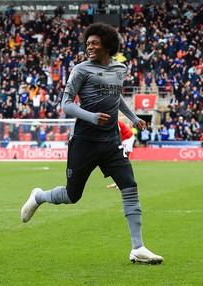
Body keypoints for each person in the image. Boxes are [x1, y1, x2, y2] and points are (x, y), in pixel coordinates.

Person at [20, 23, 163, 264]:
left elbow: (115, 97)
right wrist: (91, 116)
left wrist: (134, 118)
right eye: (88, 43)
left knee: (129, 186)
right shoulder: (81, 70)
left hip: (110, 141)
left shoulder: (120, 68)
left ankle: (138, 248)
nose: (90, 47)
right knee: (72, 195)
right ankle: (39, 196)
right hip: (84, 141)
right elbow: (66, 104)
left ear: (108, 46)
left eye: (95, 43)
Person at [106, 121, 135, 188]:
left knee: (123, 159)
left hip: (128, 138)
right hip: (125, 139)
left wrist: (119, 145)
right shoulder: (110, 122)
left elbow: (119, 135)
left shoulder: (115, 123)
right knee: (122, 160)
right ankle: (119, 181)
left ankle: (124, 181)